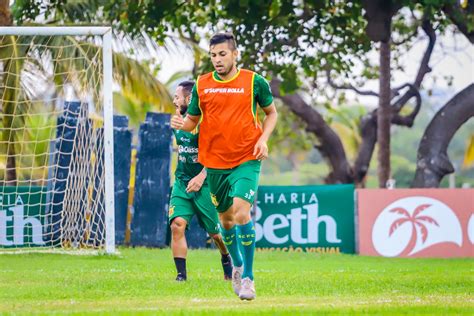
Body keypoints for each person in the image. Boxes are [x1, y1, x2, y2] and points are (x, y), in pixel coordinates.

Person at [170, 33, 278, 300]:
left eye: (222, 54)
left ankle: (249, 278)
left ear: (234, 54)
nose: (217, 60)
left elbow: (271, 113)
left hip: (247, 159)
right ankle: (237, 264)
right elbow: (193, 122)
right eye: (213, 55)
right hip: (215, 163)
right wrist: (181, 124)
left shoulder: (254, 81)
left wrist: (263, 140)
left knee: (242, 214)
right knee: (226, 221)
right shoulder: (202, 85)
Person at [169, 80, 233, 282]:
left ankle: (226, 256)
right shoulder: (177, 120)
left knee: (215, 234)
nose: (174, 100)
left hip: (205, 184)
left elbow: (217, 154)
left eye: (177, 97)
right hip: (182, 182)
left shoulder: (207, 123)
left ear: (189, 99)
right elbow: (183, 149)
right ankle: (181, 276)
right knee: (177, 225)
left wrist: (201, 176)